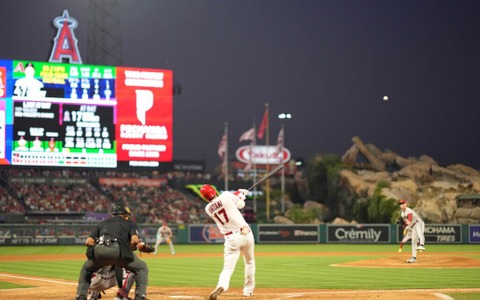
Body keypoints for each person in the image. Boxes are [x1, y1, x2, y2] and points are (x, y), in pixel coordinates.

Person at [75, 202, 149, 300]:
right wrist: (140, 245)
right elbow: (134, 240)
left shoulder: (102, 223)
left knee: (86, 269)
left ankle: (81, 296)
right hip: (117, 250)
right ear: (125, 214)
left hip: (99, 250)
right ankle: (139, 296)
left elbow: (88, 241)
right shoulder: (130, 223)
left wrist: (99, 249)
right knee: (141, 268)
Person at [200, 184, 255, 300]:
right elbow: (241, 205)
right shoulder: (225, 195)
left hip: (231, 239)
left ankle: (222, 286)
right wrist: (241, 196)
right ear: (214, 191)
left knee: (227, 269)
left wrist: (238, 193)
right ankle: (248, 291)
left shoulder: (208, 209)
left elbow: (224, 202)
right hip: (246, 233)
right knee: (249, 262)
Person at [399, 199, 426, 263]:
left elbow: (409, 219)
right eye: (400, 204)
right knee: (413, 241)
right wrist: (404, 225)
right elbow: (407, 223)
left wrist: (404, 224)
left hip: (419, 223)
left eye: (403, 204)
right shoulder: (402, 213)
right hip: (413, 226)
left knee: (420, 234)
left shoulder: (408, 211)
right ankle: (414, 258)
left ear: (406, 204)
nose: (401, 205)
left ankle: (422, 245)